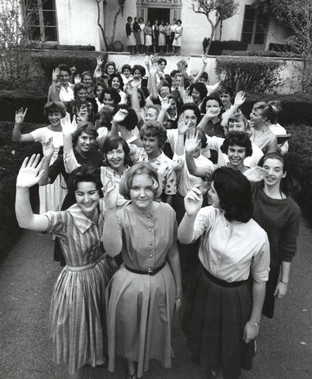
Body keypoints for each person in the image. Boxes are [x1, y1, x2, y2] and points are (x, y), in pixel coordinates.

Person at [15, 156, 116, 376]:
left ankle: (96, 355)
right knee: (77, 338)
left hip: (102, 273)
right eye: (80, 193)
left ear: (99, 192)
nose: (87, 199)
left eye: (91, 193)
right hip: (78, 284)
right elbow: (27, 221)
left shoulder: (104, 209)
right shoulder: (66, 218)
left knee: (98, 322)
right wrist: (21, 189)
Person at [179, 168, 270, 379]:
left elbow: (259, 281)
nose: (208, 192)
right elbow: (185, 238)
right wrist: (190, 214)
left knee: (228, 350)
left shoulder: (258, 236)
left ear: (228, 198)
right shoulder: (209, 213)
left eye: (213, 190)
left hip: (233, 297)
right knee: (207, 342)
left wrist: (254, 321)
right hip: (204, 286)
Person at [103, 162, 183, 378]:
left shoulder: (168, 211)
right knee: (130, 327)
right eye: (136, 188)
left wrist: (179, 289)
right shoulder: (120, 215)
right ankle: (130, 361)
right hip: (130, 282)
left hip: (162, 278)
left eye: (148, 187)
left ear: (156, 186)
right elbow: (112, 251)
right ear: (128, 188)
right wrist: (109, 211)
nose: (142, 194)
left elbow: (174, 252)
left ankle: (154, 351)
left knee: (158, 321)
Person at [251, 152, 300, 318]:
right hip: (240, 258)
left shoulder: (291, 209)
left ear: (284, 174)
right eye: (266, 168)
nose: (270, 173)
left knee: (255, 311)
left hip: (267, 267)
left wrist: (284, 281)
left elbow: (288, 247)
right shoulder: (251, 191)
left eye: (276, 169)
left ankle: (250, 341)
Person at [12, 102, 68, 212]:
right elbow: (17, 138)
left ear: (62, 114)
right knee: (50, 209)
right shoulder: (43, 132)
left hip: (66, 173)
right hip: (47, 174)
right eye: (50, 115)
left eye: (56, 114)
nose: (53, 117)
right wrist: (18, 124)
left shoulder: (69, 130)